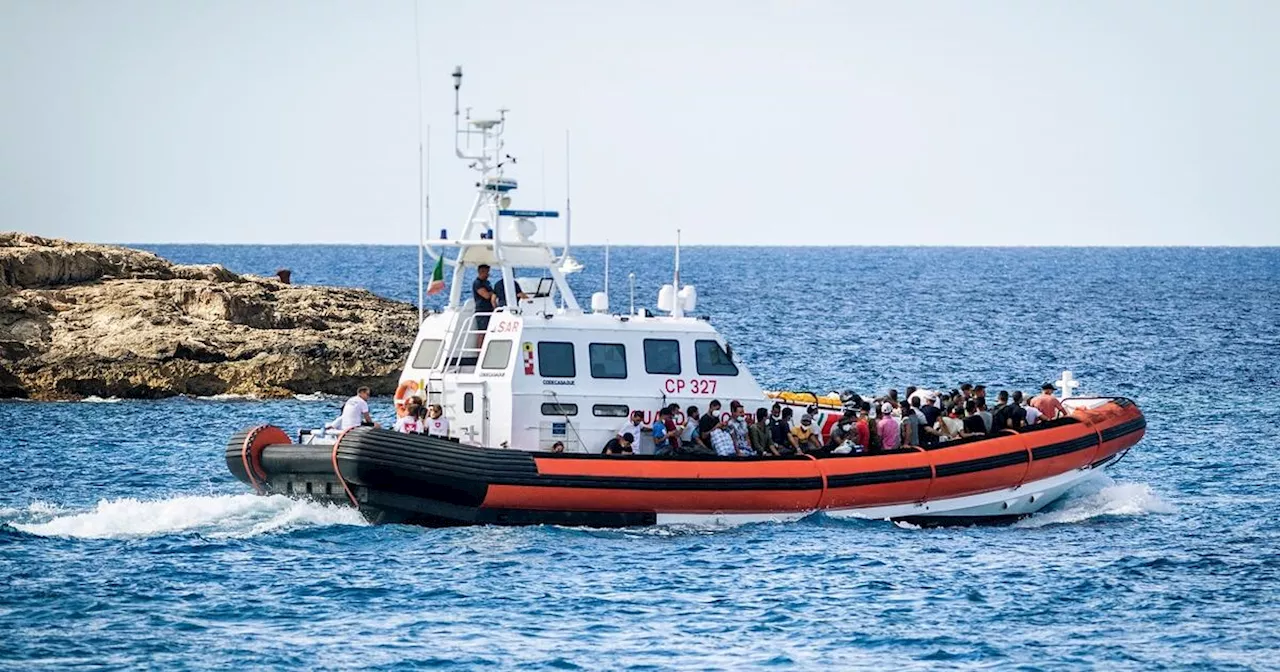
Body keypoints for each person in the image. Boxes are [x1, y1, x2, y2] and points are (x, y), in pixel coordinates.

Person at [471, 264, 495, 331]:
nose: (488, 274)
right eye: (487, 272)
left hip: (489, 309)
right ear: (481, 272)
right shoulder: (477, 283)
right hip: (482, 310)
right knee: (482, 331)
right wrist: (493, 293)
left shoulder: (487, 282)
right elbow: (486, 295)